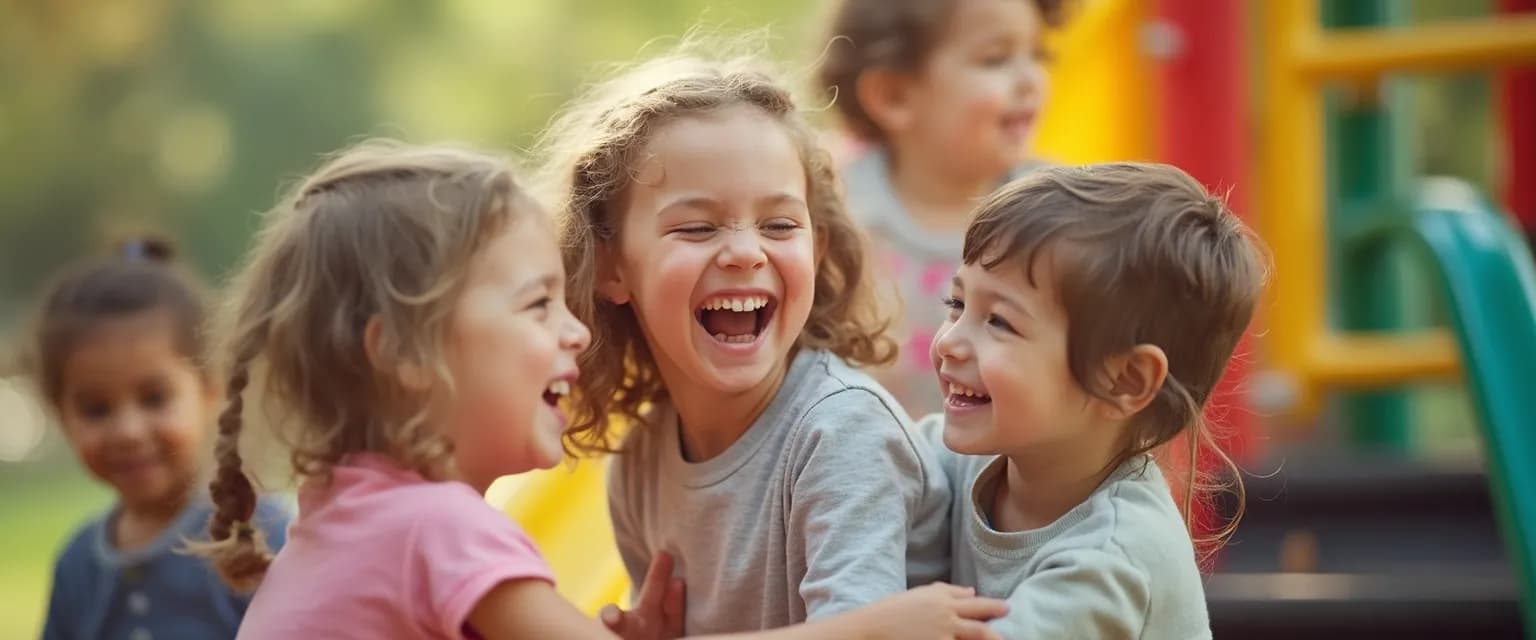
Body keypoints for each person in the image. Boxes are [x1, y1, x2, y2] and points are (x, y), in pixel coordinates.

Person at [926, 163, 1262, 638]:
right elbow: (873, 448)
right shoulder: (965, 461)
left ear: (1124, 380)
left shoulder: (1113, 555)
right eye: (956, 305)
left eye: (999, 322)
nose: (949, 343)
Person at [30, 237, 289, 640]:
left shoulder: (259, 537)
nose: (128, 431)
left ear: (210, 390)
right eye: (96, 409)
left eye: (154, 398)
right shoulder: (77, 565)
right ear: (60, 414)